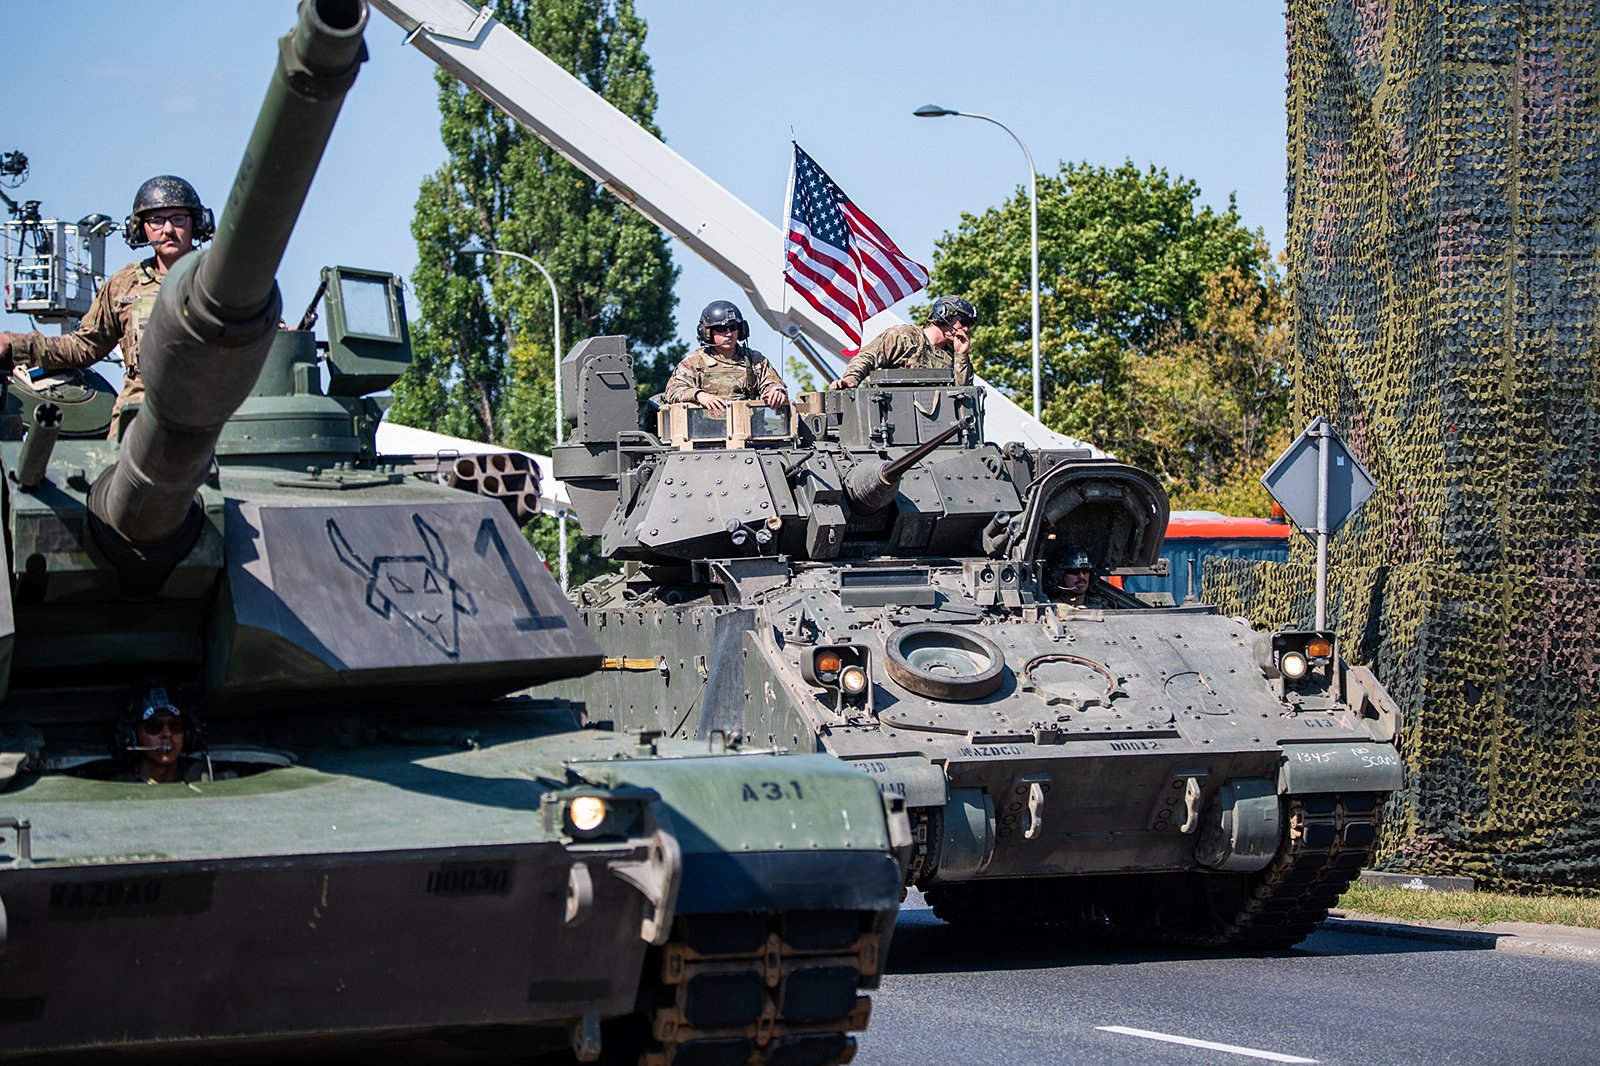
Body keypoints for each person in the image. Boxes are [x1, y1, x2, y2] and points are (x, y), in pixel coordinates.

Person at [0, 175, 214, 433]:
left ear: (197, 223)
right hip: (138, 420)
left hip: (211, 412)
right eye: (156, 220)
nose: (168, 229)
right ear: (140, 228)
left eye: (178, 218)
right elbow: (83, 347)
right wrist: (15, 344)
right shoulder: (124, 285)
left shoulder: (221, 278)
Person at [664, 300, 788, 414]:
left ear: (741, 330)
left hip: (749, 431)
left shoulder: (755, 360)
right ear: (707, 333)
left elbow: (773, 383)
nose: (729, 334)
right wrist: (699, 395)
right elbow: (673, 390)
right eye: (721, 329)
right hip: (705, 433)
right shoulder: (695, 362)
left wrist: (776, 392)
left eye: (733, 327)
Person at [828, 294, 977, 389]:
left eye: (969, 325)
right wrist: (851, 379)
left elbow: (965, 394)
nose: (965, 328)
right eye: (963, 321)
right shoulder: (906, 336)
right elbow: (869, 356)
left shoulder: (954, 358)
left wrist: (961, 355)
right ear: (944, 313)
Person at [117, 684, 209, 784]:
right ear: (133, 736)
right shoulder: (117, 787)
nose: (167, 734)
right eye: (153, 727)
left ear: (188, 734)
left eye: (175, 726)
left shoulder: (205, 779)